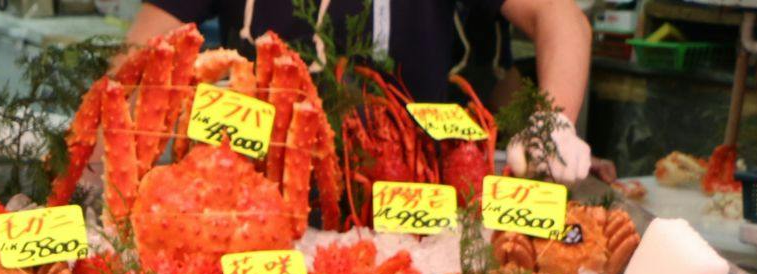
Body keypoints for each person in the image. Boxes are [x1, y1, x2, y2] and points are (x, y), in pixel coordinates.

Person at [128, 0, 597, 182]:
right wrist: (106, 145)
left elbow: (560, 18)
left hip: (414, 198)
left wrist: (552, 120)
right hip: (254, 190)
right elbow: (143, 49)